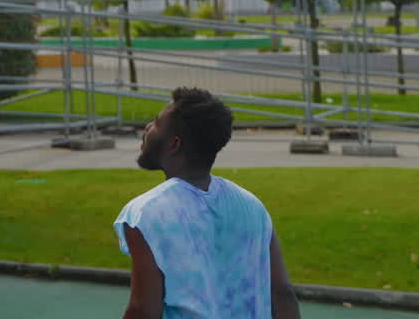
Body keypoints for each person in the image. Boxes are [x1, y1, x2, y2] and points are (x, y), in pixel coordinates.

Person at [113, 87, 301, 319]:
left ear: (174, 144)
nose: (147, 128)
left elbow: (144, 310)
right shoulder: (252, 206)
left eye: (156, 123)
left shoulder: (146, 213)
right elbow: (282, 293)